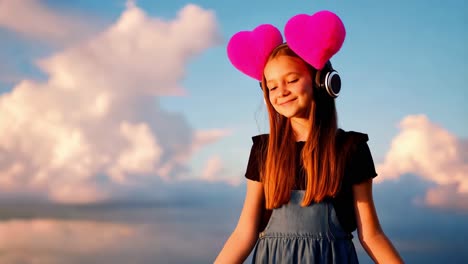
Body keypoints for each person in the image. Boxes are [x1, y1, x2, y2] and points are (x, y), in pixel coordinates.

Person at [215, 10, 403, 264]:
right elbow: (243, 234)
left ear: (320, 82)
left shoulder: (351, 148)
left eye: (292, 80)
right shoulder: (263, 150)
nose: (281, 91)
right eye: (271, 86)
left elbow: (371, 235)